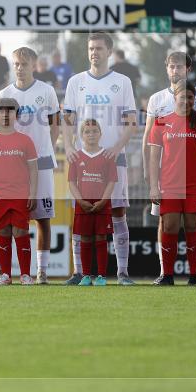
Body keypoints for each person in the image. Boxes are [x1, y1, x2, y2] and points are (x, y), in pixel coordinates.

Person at [63, 31, 137, 285]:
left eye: (99, 48)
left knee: (117, 213)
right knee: (81, 213)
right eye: (91, 48)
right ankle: (80, 273)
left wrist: (116, 147)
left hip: (112, 159)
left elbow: (131, 122)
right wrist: (68, 147)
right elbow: (68, 120)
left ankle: (123, 273)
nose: (94, 52)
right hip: (84, 160)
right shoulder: (76, 82)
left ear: (109, 51)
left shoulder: (123, 82)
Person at [142, 51, 196, 284]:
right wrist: (152, 182)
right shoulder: (162, 118)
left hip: (195, 181)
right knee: (169, 224)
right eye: (182, 97)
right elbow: (153, 151)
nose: (186, 101)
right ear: (174, 98)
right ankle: (167, 275)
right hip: (169, 182)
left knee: (194, 223)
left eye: (190, 98)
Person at [0, 47, 61, 284]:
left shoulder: (46, 91)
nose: (20, 68)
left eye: (24, 64)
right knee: (8, 220)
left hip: (42, 162)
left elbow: (55, 125)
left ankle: (42, 271)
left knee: (43, 217)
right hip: (13, 166)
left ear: (34, 64)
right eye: (16, 64)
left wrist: (47, 148)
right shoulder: (4, 92)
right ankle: (5, 272)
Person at [0, 97, 39, 285]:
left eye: (10, 111)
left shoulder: (26, 141)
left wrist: (33, 193)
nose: (6, 114)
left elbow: (33, 169)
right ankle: (5, 274)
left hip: (21, 195)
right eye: (2, 111)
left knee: (21, 232)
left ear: (17, 115)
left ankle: (25, 275)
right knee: (3, 232)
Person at [67, 119, 117, 286]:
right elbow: (72, 182)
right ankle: (86, 275)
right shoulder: (76, 157)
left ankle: (101, 276)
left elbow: (111, 181)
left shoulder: (108, 156)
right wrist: (80, 200)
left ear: (100, 134)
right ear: (81, 136)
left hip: (102, 204)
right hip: (83, 204)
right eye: (87, 132)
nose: (91, 134)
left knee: (101, 238)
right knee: (86, 239)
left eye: (95, 131)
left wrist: (104, 200)